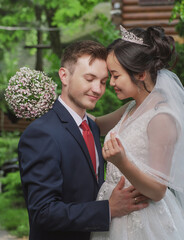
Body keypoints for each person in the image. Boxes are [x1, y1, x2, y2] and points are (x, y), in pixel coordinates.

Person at [90, 26, 184, 239]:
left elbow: (158, 190)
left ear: (141, 74)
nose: (111, 83)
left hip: (141, 220)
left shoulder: (162, 118)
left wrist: (122, 161)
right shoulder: (132, 107)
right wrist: (58, 103)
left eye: (115, 76)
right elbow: (95, 124)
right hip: (115, 212)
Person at [17, 40, 148, 240]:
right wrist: (108, 209)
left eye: (103, 81)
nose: (98, 89)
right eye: (89, 78)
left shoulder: (92, 127)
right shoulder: (41, 133)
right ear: (64, 76)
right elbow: (43, 212)